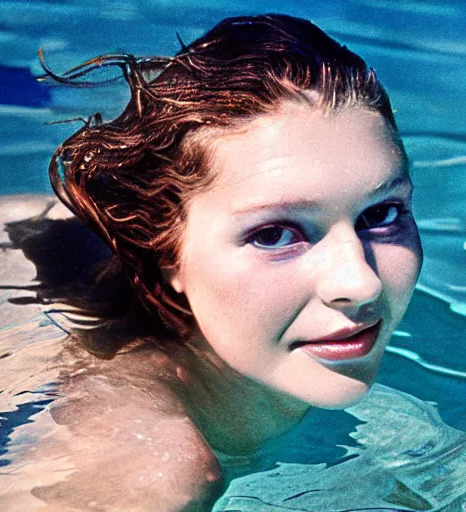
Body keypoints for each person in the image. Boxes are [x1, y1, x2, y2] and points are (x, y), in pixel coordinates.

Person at [34, 13, 423, 510]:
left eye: (381, 213)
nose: (361, 283)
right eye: (274, 234)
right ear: (167, 253)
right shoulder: (151, 472)